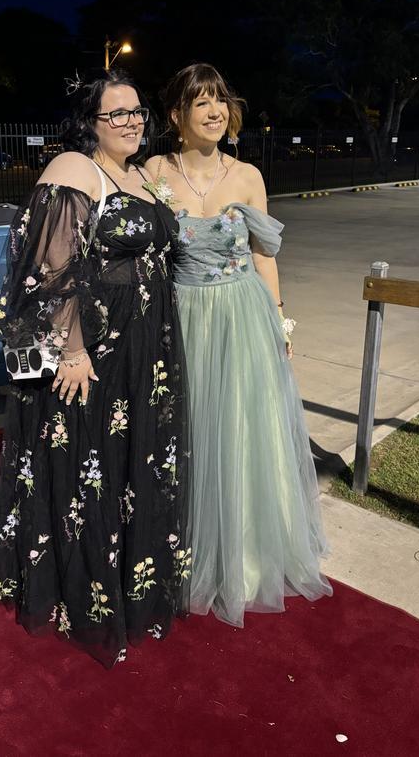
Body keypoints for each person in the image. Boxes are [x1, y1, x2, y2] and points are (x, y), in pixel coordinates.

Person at [0, 70, 191, 667]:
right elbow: (54, 267)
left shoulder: (141, 175)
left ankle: (134, 576)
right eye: (116, 114)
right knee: (90, 460)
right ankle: (88, 595)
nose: (131, 122)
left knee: (133, 460)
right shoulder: (75, 169)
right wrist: (70, 349)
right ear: (90, 123)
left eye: (136, 112)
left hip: (146, 347)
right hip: (97, 350)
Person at [146, 63, 331, 627]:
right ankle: (192, 550)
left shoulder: (248, 174)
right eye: (200, 101)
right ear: (177, 115)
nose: (214, 109)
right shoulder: (153, 170)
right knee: (194, 432)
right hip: (183, 317)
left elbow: (264, 255)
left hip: (241, 313)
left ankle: (248, 557)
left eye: (220, 98)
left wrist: (279, 321)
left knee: (246, 430)